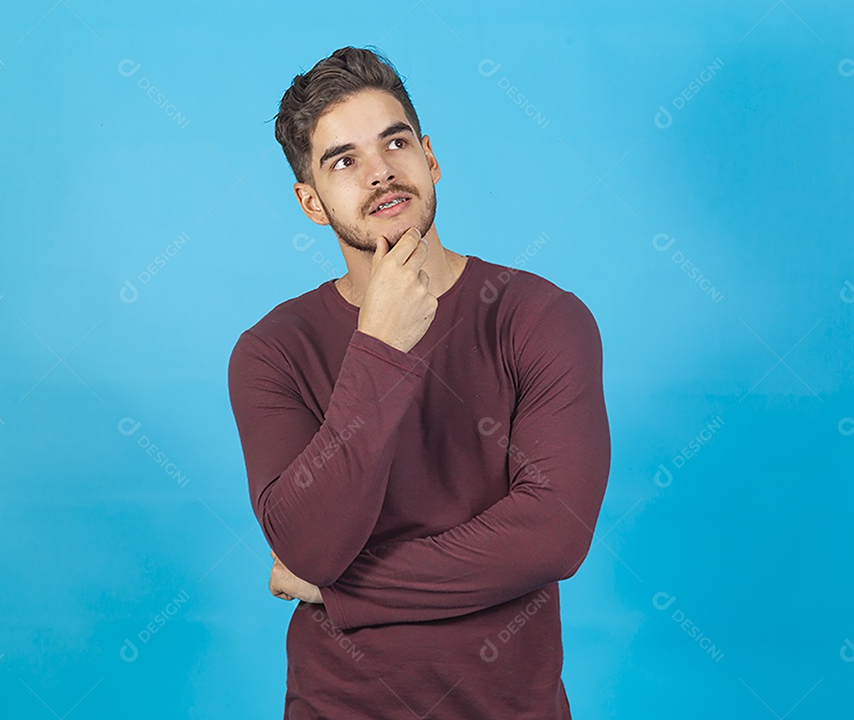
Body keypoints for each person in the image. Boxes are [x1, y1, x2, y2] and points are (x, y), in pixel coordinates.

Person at [227, 44, 610, 719]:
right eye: (344, 161)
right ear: (311, 202)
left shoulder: (542, 318)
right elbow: (309, 545)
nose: (380, 174)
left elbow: (554, 534)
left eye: (395, 143)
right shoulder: (272, 352)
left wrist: (340, 590)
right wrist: (379, 347)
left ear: (430, 159)